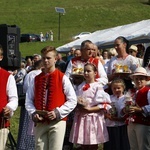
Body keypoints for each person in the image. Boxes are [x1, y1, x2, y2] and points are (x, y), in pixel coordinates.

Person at [25, 46, 77, 150]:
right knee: (39, 148)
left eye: (48, 58)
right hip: (40, 122)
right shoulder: (36, 79)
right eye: (43, 58)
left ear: (55, 59)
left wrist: (58, 112)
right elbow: (29, 100)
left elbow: (72, 100)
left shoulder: (62, 77)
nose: (45, 60)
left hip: (57, 122)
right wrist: (33, 113)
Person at [69, 63, 111, 150]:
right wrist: (78, 103)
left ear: (95, 73)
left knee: (92, 142)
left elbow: (104, 104)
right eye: (85, 71)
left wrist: (90, 109)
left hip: (92, 118)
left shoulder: (97, 86)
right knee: (83, 143)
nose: (86, 73)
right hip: (82, 117)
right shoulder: (80, 86)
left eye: (89, 71)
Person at [17, 60, 43, 150]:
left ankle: (25, 146)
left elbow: (25, 88)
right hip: (37, 104)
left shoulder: (29, 74)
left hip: (30, 103)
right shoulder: (38, 74)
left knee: (26, 127)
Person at [122, 67, 150, 150]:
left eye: (141, 79)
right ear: (133, 80)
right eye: (136, 79)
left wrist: (140, 109)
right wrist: (125, 109)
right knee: (133, 147)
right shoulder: (130, 91)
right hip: (131, 122)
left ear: (146, 80)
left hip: (143, 122)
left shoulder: (148, 91)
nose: (138, 81)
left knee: (143, 146)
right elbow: (124, 104)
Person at [0, 45, 18, 149]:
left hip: (0, 123)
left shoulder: (7, 77)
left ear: (1, 57)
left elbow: (14, 99)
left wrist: (9, 108)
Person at [104, 79, 130, 150]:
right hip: (110, 125)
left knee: (122, 144)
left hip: (122, 125)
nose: (116, 90)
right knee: (110, 144)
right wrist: (107, 115)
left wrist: (121, 117)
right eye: (114, 88)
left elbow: (127, 111)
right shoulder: (109, 98)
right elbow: (105, 110)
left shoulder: (126, 98)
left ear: (123, 88)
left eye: (118, 88)